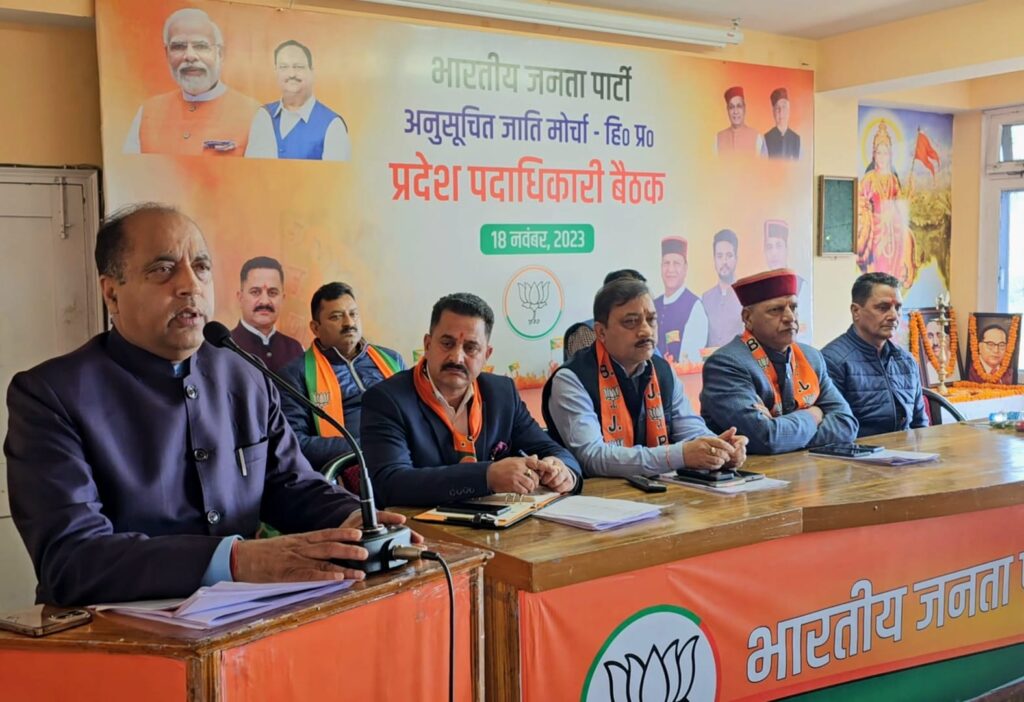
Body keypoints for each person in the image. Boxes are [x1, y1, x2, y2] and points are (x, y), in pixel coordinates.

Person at [3, 204, 414, 606]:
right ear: (112, 293)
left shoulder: (245, 375)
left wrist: (356, 522)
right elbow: (71, 558)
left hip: (246, 622)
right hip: (117, 635)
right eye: (163, 269)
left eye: (201, 267)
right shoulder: (51, 395)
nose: (190, 285)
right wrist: (233, 560)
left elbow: (290, 485)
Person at [360, 293, 582, 507]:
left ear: (486, 355)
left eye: (471, 348)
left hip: (500, 524)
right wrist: (487, 476)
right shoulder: (387, 400)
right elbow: (390, 484)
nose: (457, 357)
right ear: (427, 345)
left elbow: (550, 448)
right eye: (447, 343)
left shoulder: (502, 393)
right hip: (418, 527)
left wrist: (563, 471)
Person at [543, 278, 747, 477]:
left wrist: (720, 449)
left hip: (663, 490)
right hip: (598, 494)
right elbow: (593, 457)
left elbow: (691, 430)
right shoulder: (572, 379)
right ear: (601, 332)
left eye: (651, 320)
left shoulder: (663, 370)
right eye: (630, 322)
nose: (646, 331)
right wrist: (680, 455)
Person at [700, 269, 858, 454]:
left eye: (794, 307)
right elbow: (766, 438)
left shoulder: (811, 357)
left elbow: (847, 425)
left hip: (807, 467)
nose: (790, 317)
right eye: (776, 310)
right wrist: (814, 414)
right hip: (753, 470)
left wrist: (784, 432)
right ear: (748, 318)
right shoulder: (726, 364)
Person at [280, 282, 405, 470]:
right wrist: (365, 447)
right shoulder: (295, 375)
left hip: (406, 457)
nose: (349, 323)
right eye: (336, 317)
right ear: (315, 328)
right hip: (351, 469)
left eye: (353, 314)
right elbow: (295, 442)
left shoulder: (392, 359)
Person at [123, 8, 260, 156]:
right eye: (178, 47)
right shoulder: (148, 113)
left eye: (201, 46)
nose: (189, 56)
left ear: (219, 54)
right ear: (167, 54)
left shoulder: (255, 115)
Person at [822, 272, 927, 437]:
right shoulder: (832, 361)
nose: (894, 316)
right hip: (856, 451)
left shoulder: (906, 361)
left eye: (898, 308)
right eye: (883, 308)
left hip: (907, 450)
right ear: (856, 311)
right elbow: (833, 434)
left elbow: (920, 425)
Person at [246, 40, 351, 161]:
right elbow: (253, 169)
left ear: (312, 72)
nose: (291, 74)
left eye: (299, 67)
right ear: (276, 72)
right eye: (283, 67)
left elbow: (336, 173)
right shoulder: (264, 116)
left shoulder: (333, 125)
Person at [856, 121, 916, 287]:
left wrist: (909, 194)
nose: (882, 157)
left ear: (890, 155)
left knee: (905, 238)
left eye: (885, 153)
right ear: (874, 154)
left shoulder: (892, 179)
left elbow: (899, 204)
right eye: (879, 153)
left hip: (892, 227)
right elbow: (860, 202)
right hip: (875, 228)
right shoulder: (868, 179)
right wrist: (869, 211)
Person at [230, 256, 304, 373]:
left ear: (282, 299)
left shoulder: (296, 350)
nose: (264, 301)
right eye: (255, 292)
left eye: (272, 293)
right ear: (240, 298)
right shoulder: (223, 347)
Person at [653, 237, 708, 363]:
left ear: (685, 268)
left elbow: (690, 360)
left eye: (676, 263)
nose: (670, 269)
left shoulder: (694, 307)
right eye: (666, 263)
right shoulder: (653, 305)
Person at [763, 220, 811, 341]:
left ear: (786, 249)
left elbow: (804, 331)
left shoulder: (801, 286)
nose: (774, 253)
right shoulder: (760, 288)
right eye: (769, 247)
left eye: (778, 246)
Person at [701, 229, 744, 347]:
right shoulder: (705, 299)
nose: (724, 262)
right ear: (714, 259)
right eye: (719, 256)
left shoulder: (746, 295)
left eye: (729, 256)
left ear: (736, 258)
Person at [715, 86, 764, 156]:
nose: (735, 111)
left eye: (739, 106)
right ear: (727, 110)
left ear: (744, 108)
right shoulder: (718, 138)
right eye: (731, 107)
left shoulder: (757, 137)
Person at [762, 88, 800, 160]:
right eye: (777, 108)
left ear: (788, 110)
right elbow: (763, 165)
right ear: (773, 112)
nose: (781, 112)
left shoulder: (797, 139)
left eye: (784, 107)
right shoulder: (766, 139)